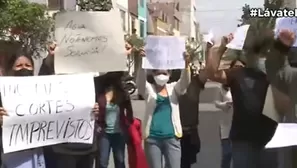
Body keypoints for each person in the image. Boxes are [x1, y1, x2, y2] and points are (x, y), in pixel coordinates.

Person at [206, 28, 295, 168]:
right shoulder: (238, 74)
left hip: (271, 141)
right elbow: (211, 73)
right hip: (243, 141)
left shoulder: (278, 76)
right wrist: (222, 47)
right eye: (258, 53)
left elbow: (286, 104)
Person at [38, 44, 100, 168]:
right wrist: (50, 57)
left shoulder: (88, 81)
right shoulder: (54, 81)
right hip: (62, 149)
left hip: (87, 147)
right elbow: (41, 83)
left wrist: (96, 109)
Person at [136, 49, 191, 168]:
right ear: (153, 74)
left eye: (165, 73)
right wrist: (142, 62)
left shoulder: (174, 89)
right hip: (152, 139)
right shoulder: (149, 90)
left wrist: (186, 65)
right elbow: (140, 83)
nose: (161, 76)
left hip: (172, 138)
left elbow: (185, 82)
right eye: (158, 73)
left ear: (170, 75)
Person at [95, 71, 133, 168]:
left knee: (120, 161)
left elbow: (129, 112)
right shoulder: (100, 96)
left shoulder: (122, 94)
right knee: (102, 162)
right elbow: (94, 112)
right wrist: (97, 125)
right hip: (104, 133)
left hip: (119, 133)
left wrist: (128, 125)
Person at [214, 59, 245, 168]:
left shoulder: (246, 85)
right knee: (227, 154)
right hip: (226, 125)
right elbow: (216, 102)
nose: (238, 69)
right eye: (236, 67)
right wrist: (224, 105)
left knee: (240, 157)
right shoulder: (223, 87)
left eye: (241, 67)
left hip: (242, 126)